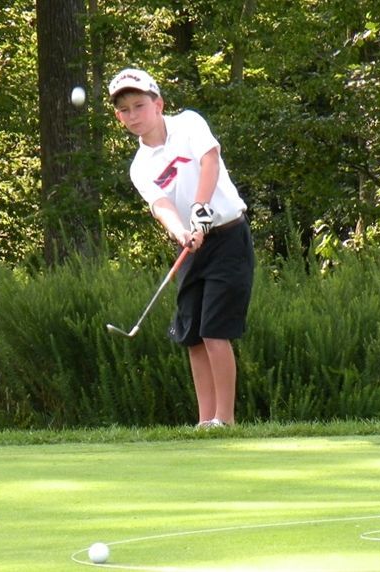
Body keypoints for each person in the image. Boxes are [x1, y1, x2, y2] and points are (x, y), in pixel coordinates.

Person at [109, 68, 254, 428]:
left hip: (229, 236)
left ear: (158, 104)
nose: (133, 115)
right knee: (191, 336)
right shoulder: (140, 166)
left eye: (139, 105)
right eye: (124, 110)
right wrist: (182, 232)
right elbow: (162, 206)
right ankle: (205, 422)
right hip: (192, 245)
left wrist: (200, 208)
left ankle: (226, 419)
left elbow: (210, 160)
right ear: (118, 116)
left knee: (214, 331)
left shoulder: (188, 123)